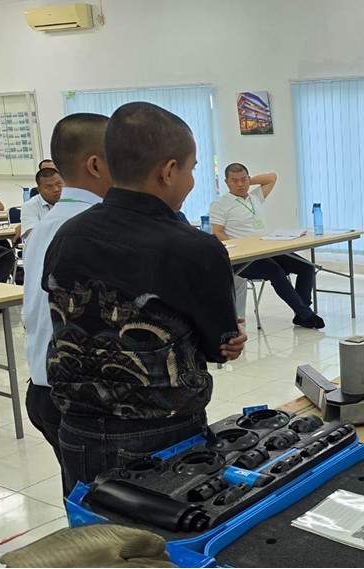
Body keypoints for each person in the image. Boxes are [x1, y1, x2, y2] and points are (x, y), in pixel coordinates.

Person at [42, 102, 247, 492]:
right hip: (161, 433)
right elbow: (220, 346)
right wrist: (228, 342)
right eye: (191, 169)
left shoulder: (67, 234)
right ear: (169, 171)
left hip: (77, 429)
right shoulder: (195, 249)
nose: (190, 181)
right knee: (157, 546)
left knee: (90, 540)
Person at [23, 113, 112, 494]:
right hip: (77, 400)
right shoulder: (97, 227)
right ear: (95, 164)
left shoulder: (50, 224)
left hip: (43, 387)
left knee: (80, 501)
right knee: (104, 516)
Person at [208, 164, 324, 329]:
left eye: (243, 179)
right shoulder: (220, 205)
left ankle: (301, 312)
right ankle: (306, 314)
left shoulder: (255, 196)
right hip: (244, 257)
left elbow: (272, 177)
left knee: (306, 267)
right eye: (234, 181)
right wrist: (239, 248)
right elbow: (217, 232)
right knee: (275, 272)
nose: (240, 184)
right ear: (227, 182)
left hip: (266, 249)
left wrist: (249, 181)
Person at [19, 167, 64, 243]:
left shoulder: (73, 201)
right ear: (39, 190)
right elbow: (33, 236)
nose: (56, 189)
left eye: (59, 184)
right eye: (49, 187)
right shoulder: (29, 206)